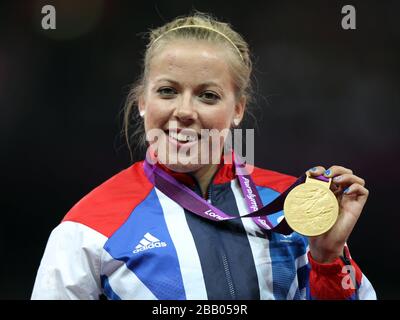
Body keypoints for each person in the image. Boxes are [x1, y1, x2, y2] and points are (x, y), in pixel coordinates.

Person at [31, 13, 376, 300]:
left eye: (207, 96)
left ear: (237, 109)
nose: (184, 111)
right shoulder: (89, 225)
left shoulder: (293, 206)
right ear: (142, 102)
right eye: (167, 91)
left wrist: (327, 260)